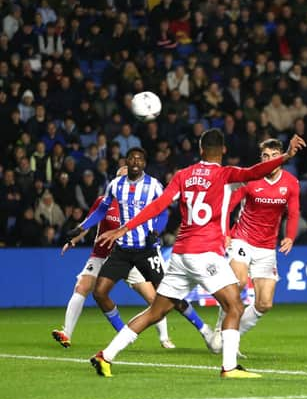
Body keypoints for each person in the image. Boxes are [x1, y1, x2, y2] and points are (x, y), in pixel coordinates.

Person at [92, 129, 306, 379]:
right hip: (205, 253)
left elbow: (158, 205)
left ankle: (105, 355)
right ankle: (229, 367)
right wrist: (287, 156)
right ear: (223, 150)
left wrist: (125, 227)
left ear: (201, 150)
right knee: (235, 306)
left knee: (155, 312)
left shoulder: (183, 175)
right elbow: (255, 172)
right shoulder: (227, 174)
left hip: (181, 255)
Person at [67, 149, 214, 348]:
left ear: (144, 163)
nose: (135, 162)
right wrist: (81, 228)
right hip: (122, 250)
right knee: (99, 292)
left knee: (168, 293)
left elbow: (163, 211)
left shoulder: (153, 185)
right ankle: (124, 333)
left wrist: (156, 230)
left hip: (147, 249)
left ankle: (203, 330)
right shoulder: (115, 185)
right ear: (126, 161)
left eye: (139, 159)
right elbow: (102, 209)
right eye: (132, 158)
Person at [52, 168, 175, 349]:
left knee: (153, 297)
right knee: (82, 287)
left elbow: (156, 219)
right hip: (102, 255)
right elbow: (88, 223)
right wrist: (73, 239)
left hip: (129, 256)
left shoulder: (140, 204)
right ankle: (67, 333)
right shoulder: (103, 202)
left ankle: (164, 338)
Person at [211, 138, 300, 353]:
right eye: (265, 156)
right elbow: (229, 206)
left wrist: (290, 236)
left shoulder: (290, 182)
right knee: (239, 282)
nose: (269, 160)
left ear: (280, 158)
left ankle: (232, 335)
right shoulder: (250, 179)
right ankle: (220, 328)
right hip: (243, 239)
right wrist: (225, 234)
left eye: (273, 156)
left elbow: (294, 212)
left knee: (264, 304)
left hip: (267, 247)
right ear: (261, 158)